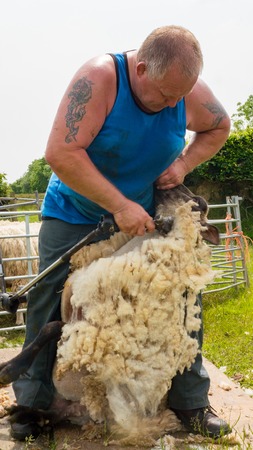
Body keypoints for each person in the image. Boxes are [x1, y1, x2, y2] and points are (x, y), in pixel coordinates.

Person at [12, 25, 231, 441]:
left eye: (179, 98)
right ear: (143, 68)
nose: (172, 105)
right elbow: (61, 152)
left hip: (144, 212)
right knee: (48, 298)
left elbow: (218, 128)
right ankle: (32, 403)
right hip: (75, 211)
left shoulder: (186, 91)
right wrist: (117, 205)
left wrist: (182, 166)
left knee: (179, 292)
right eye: (165, 95)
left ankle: (191, 401)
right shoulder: (99, 80)